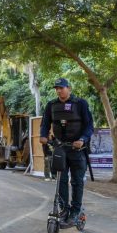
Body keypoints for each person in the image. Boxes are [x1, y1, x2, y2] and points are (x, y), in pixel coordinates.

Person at [39, 78, 94, 225]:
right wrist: (43, 135)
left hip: (77, 149)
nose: (58, 91)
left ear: (68, 88)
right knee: (61, 180)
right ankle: (64, 209)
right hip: (60, 148)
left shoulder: (80, 103)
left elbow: (89, 126)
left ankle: (75, 211)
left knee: (77, 181)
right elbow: (45, 123)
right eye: (56, 88)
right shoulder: (51, 105)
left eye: (61, 88)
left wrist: (82, 139)